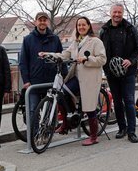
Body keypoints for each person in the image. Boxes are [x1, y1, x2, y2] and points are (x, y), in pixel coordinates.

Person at [39, 16, 106, 146]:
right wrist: (48, 54)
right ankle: (66, 123)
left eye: (83, 25)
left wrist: (87, 59)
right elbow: (65, 54)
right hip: (77, 77)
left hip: (90, 79)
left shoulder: (95, 41)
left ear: (88, 26)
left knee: (89, 107)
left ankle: (93, 136)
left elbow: (102, 59)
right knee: (61, 93)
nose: (81, 27)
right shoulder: (76, 42)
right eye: (79, 25)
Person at [100, 4, 138, 143]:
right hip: (111, 73)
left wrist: (130, 61)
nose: (117, 14)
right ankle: (122, 128)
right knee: (117, 102)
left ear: (122, 13)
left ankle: (132, 132)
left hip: (128, 72)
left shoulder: (130, 29)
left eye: (119, 12)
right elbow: (100, 51)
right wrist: (106, 69)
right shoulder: (104, 31)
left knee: (129, 101)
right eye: (115, 12)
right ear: (110, 13)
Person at [19, 12, 64, 124]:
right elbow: (23, 62)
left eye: (44, 20)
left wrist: (63, 76)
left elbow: (61, 58)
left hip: (50, 80)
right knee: (33, 110)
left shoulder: (55, 39)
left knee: (49, 110)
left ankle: (47, 135)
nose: (42, 22)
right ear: (36, 22)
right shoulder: (28, 39)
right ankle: (34, 136)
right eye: (40, 20)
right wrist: (26, 80)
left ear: (47, 22)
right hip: (34, 81)